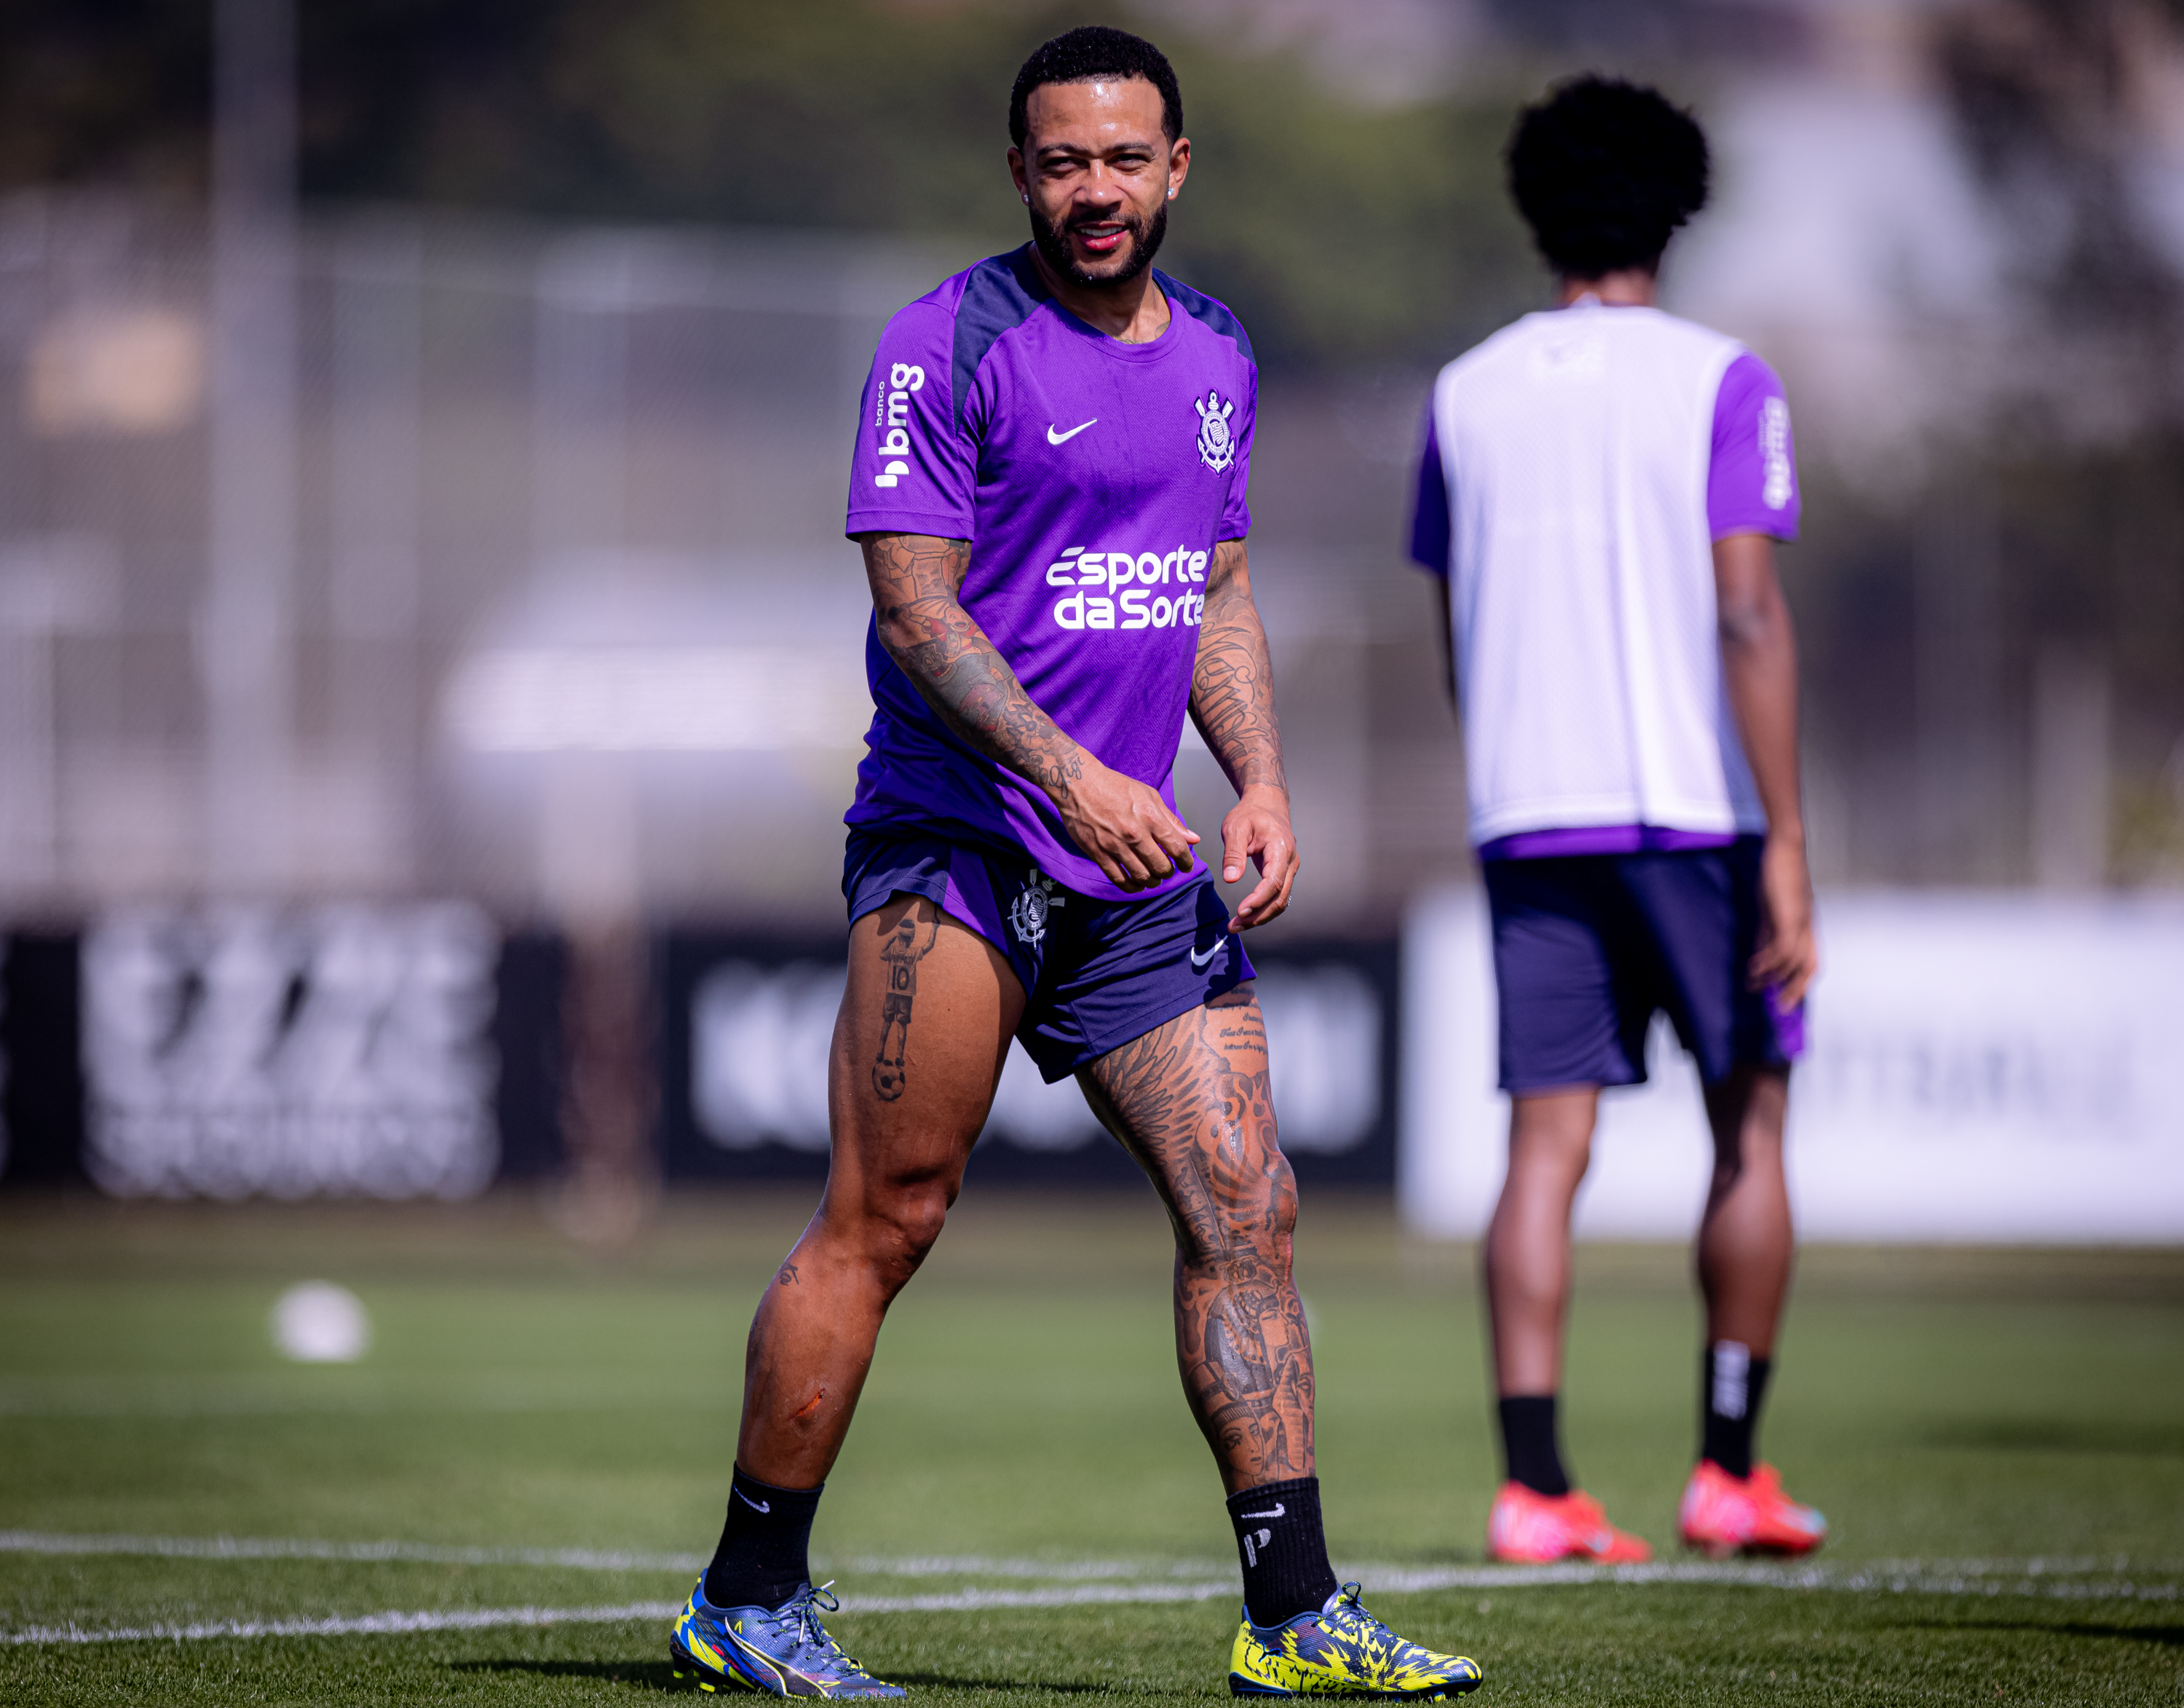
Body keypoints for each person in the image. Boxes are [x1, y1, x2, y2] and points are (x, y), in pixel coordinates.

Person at [669, 28, 1482, 1699]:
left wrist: (1253, 777)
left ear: (1177, 166)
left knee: (1247, 1201)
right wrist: (1070, 771)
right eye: (1061, 160)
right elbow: (913, 606)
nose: (1093, 190)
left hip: (1138, 870)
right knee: (888, 1216)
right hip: (958, 846)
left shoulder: (1224, 354)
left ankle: (1296, 1617)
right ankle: (746, 1599)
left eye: (1123, 158)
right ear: (1020, 170)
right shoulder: (945, 341)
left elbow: (1217, 588)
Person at [1408, 75, 1829, 1565]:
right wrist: (1784, 844)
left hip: (1529, 810)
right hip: (1694, 813)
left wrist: (1506, 764)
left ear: (1536, 209)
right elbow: (1748, 614)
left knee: (1544, 1150)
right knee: (1750, 1124)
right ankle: (1726, 1468)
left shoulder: (1464, 391)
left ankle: (1534, 1488)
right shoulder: (1723, 381)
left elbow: (1458, 625)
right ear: (1680, 206)